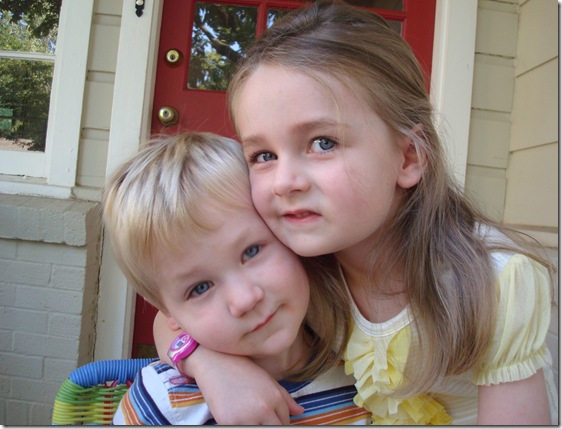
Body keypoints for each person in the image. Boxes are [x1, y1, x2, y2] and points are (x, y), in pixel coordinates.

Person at [153, 0, 558, 425]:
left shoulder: (490, 283)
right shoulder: (295, 262)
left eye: (322, 143)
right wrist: (212, 367)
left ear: (408, 157)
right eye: (264, 155)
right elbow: (175, 317)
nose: (284, 182)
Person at [102, 132, 371, 425]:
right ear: (169, 312)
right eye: (200, 288)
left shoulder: (365, 364)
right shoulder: (161, 405)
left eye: (251, 251)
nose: (245, 300)